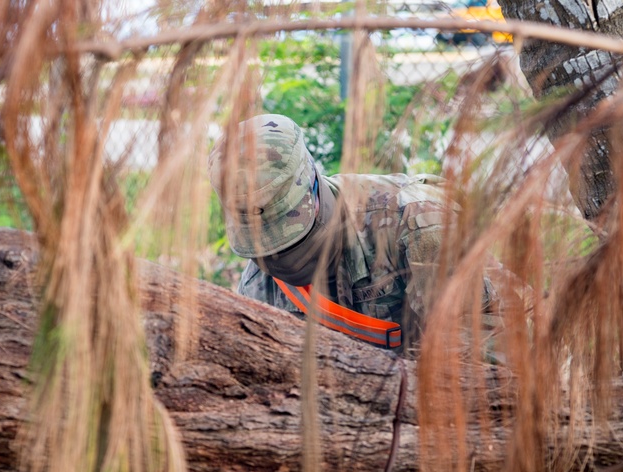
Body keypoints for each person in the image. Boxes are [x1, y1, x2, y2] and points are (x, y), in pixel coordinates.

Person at [208, 113, 494, 354]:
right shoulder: (260, 285)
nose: (276, 260)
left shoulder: (414, 222)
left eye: (286, 241)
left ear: (315, 192)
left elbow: (487, 352)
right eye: (264, 249)